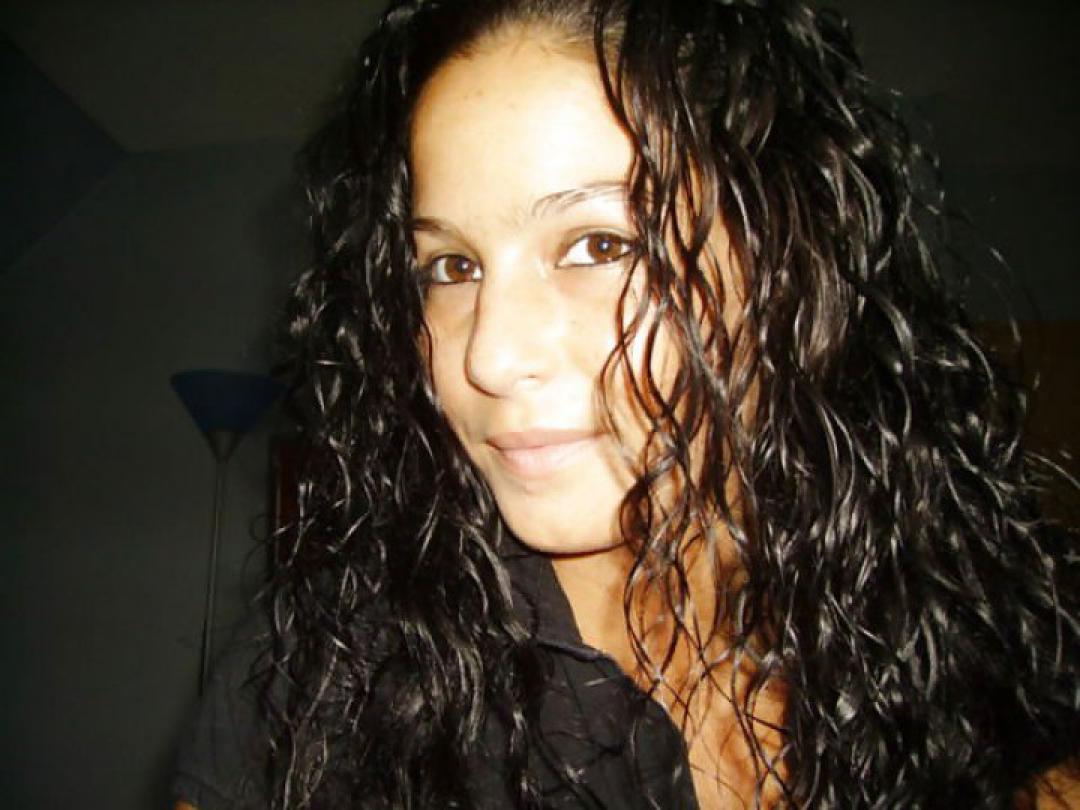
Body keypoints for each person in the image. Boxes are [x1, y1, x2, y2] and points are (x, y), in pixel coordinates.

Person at [171, 0, 1080, 807]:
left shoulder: (989, 636)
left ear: (791, 262)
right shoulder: (315, 688)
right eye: (450, 266)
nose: (490, 356)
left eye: (599, 246)